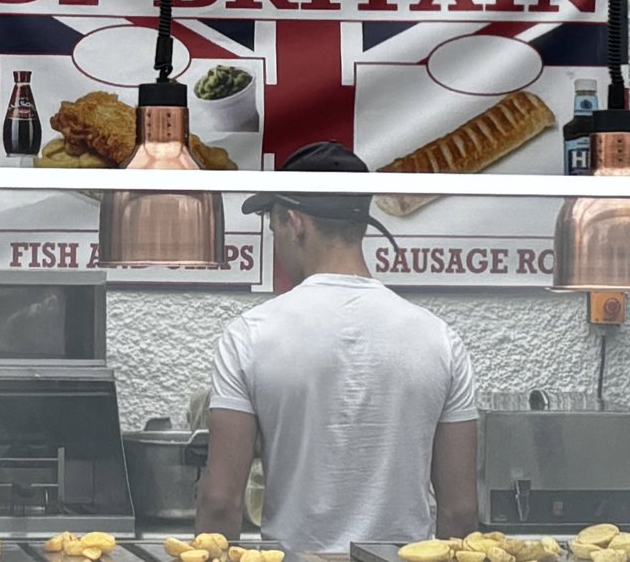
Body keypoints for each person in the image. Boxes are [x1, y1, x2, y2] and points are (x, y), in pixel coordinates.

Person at [195, 142, 478, 552]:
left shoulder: (249, 336)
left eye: (272, 229)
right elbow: (460, 512)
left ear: (294, 223)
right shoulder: (440, 340)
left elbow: (221, 504)